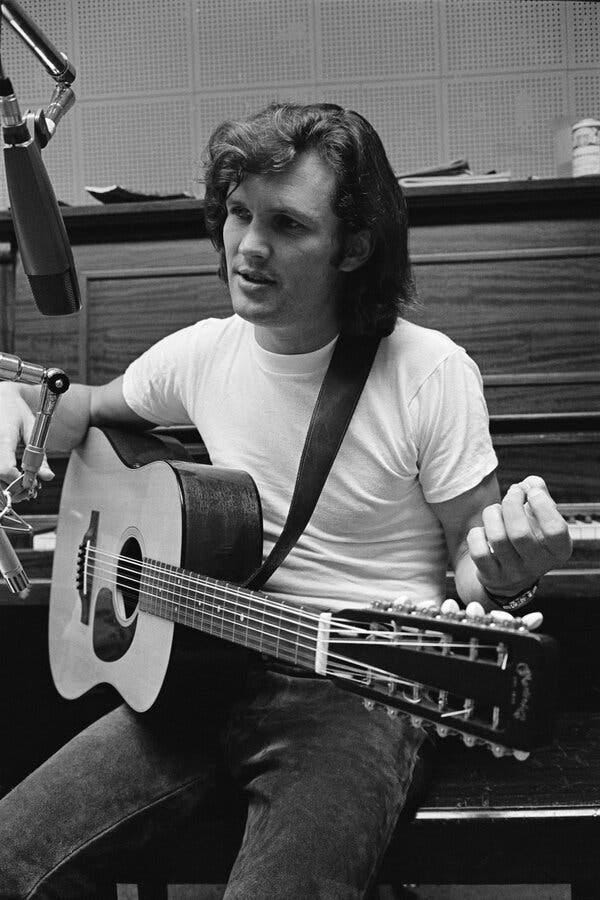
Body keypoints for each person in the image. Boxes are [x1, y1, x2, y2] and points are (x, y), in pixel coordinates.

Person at [0, 102, 572, 898]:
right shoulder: (204, 353)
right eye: (238, 213)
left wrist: (508, 570)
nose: (249, 247)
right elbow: (86, 409)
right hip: (205, 670)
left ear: (354, 244)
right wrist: (19, 407)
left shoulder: (430, 370)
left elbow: (473, 567)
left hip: (364, 691)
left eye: (289, 225)